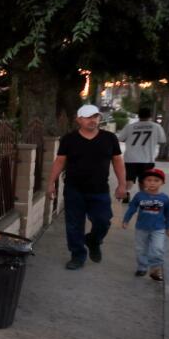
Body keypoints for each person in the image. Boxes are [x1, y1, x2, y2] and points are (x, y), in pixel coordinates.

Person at [46, 104, 127, 270]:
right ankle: (77, 255)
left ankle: (93, 240)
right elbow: (60, 161)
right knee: (74, 224)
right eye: (88, 117)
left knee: (103, 221)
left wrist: (122, 184)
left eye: (96, 116)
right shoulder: (69, 139)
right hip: (74, 189)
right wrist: (51, 183)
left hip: (99, 189)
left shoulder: (109, 138)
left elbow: (118, 161)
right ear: (79, 119)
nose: (93, 120)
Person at [121, 168, 169, 280]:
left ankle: (155, 269)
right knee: (141, 249)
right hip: (141, 228)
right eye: (149, 180)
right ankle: (142, 267)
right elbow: (132, 209)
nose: (152, 183)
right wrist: (126, 220)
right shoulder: (139, 196)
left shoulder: (165, 198)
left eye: (156, 180)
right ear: (143, 182)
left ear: (162, 182)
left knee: (157, 248)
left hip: (158, 229)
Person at [117, 107, 167, 201]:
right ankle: (143, 197)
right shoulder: (156, 126)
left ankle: (127, 193)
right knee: (145, 180)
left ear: (138, 115)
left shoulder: (130, 127)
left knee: (129, 178)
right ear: (150, 116)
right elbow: (162, 140)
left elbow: (120, 138)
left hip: (130, 158)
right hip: (147, 158)